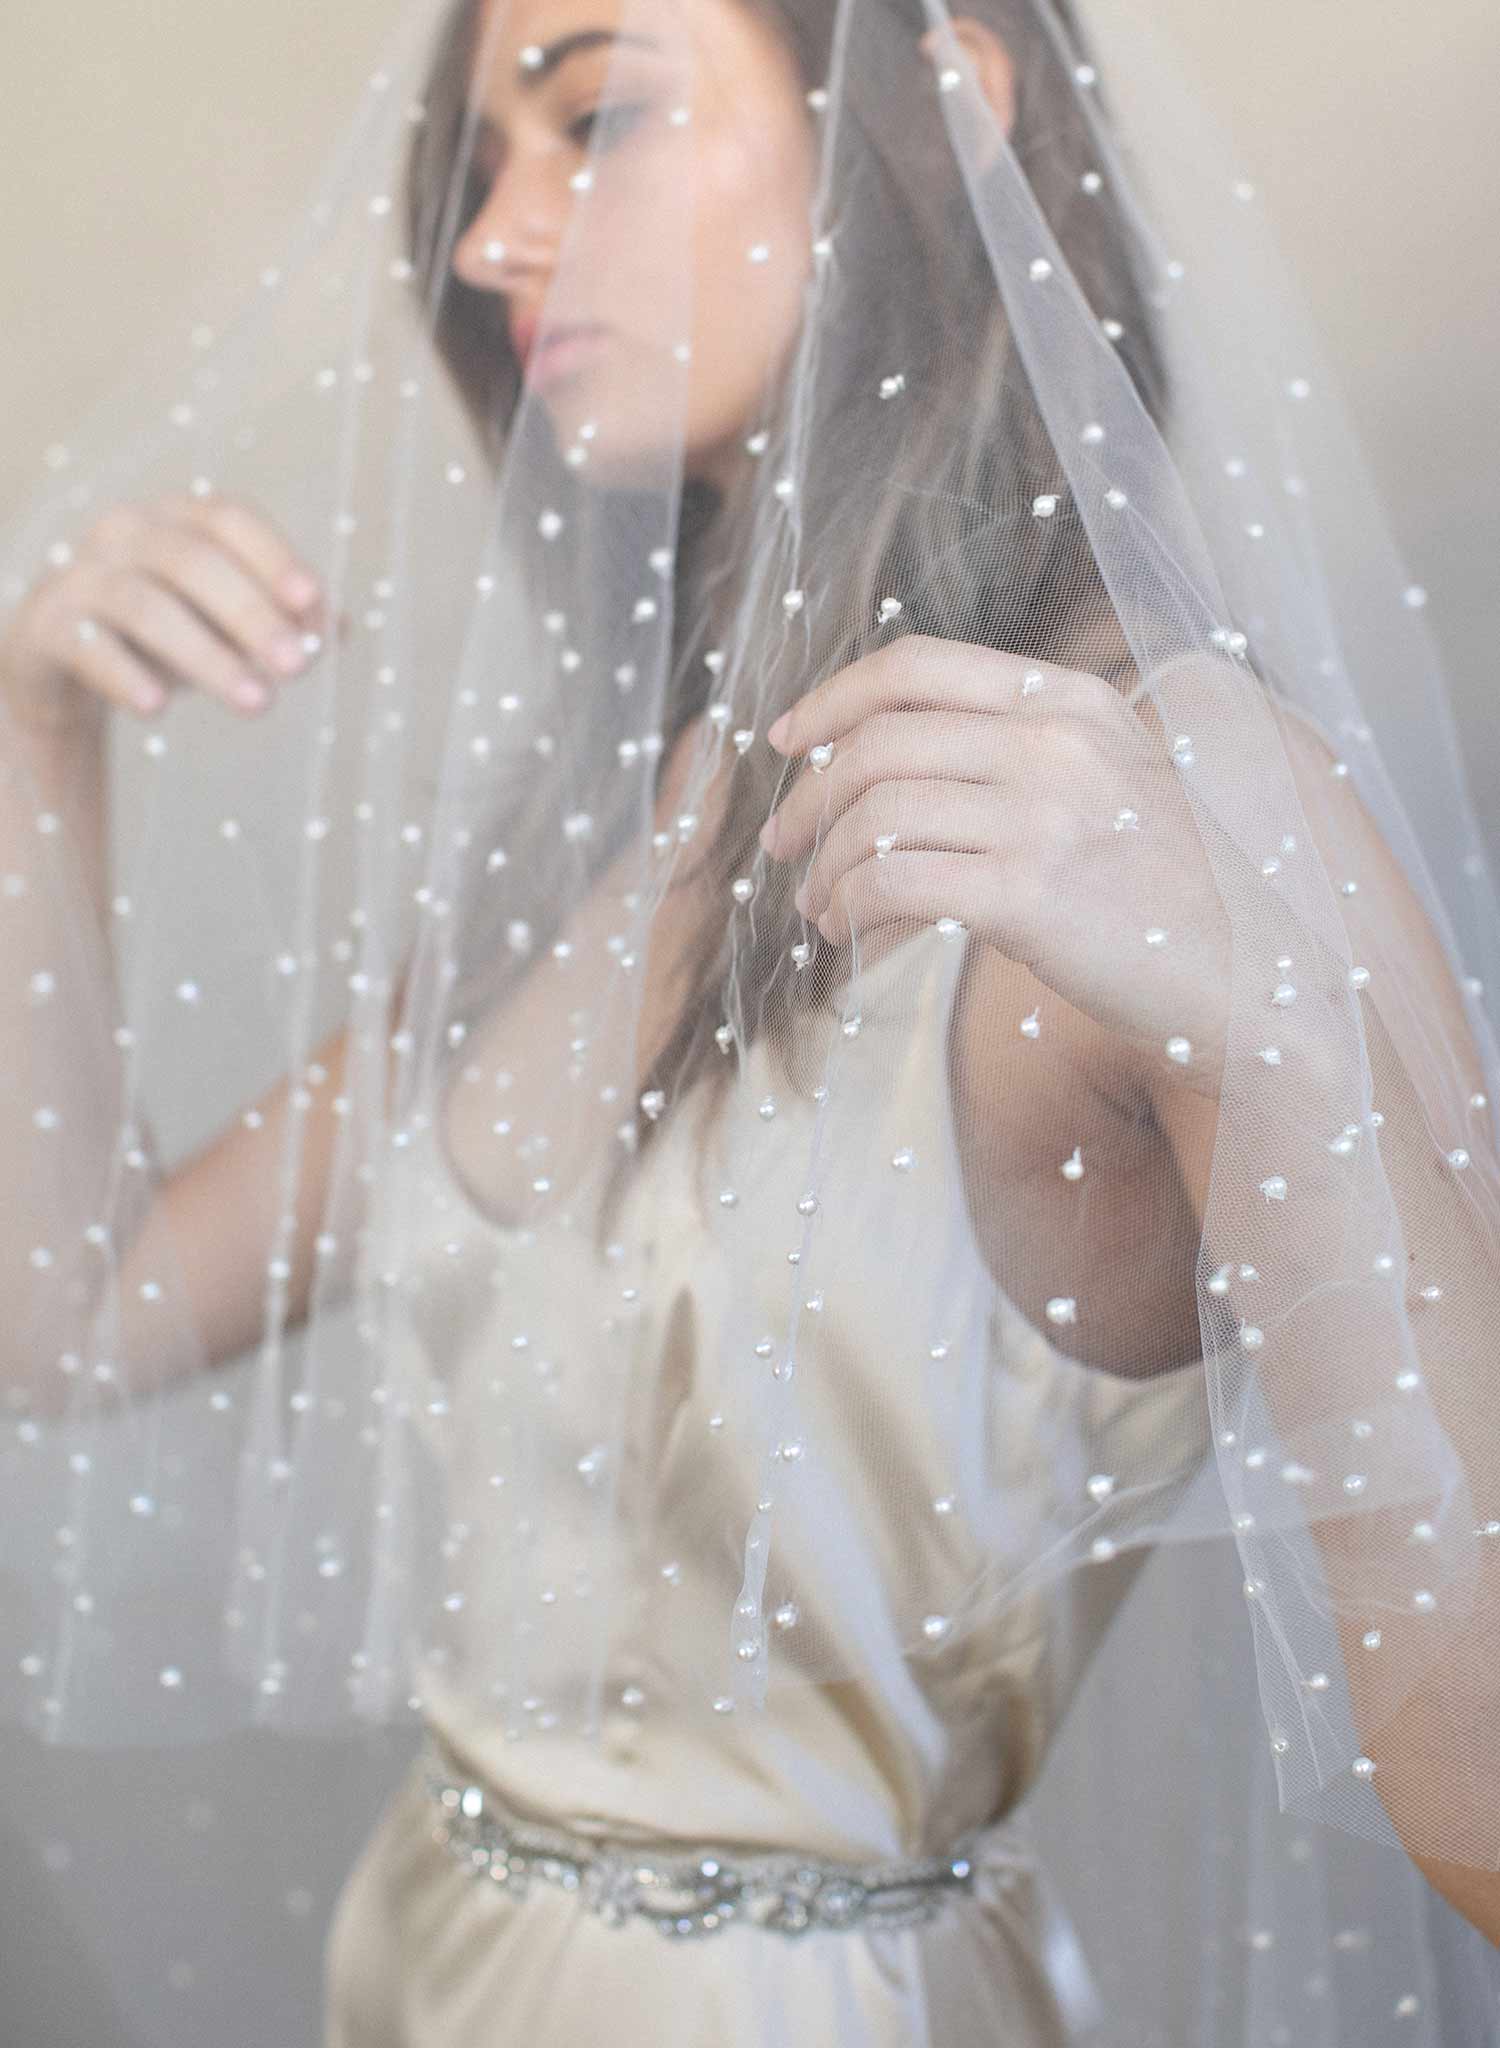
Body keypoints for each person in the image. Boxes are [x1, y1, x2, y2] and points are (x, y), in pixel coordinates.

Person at [1, 0, 1497, 2041]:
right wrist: (33, 730)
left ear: (946, 98)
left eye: (596, 118)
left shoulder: (1170, 802)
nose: (489, 243)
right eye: (480, 169)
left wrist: (1284, 1030)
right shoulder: (632, 800)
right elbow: (72, 1315)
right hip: (420, 1970)